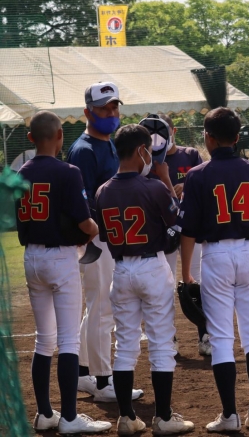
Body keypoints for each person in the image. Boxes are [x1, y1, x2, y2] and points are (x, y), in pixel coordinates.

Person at [178, 107, 249, 432]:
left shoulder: (196, 175)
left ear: (207, 137)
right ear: (237, 138)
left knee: (221, 339)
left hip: (215, 255)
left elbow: (188, 232)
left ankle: (229, 416)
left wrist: (186, 273)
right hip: (248, 253)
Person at [96, 124, 194, 435]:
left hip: (121, 270)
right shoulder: (153, 187)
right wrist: (166, 183)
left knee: (125, 345)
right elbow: (177, 225)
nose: (150, 157)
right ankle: (163, 418)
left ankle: (127, 417)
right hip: (152, 266)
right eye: (148, 151)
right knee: (161, 343)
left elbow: (104, 235)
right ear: (141, 150)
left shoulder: (102, 191)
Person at [17, 111, 112, 434]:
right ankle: (70, 417)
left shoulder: (19, 173)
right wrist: (94, 229)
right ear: (60, 136)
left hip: (31, 257)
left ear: (31, 138)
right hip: (60, 258)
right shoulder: (68, 171)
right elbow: (85, 223)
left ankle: (45, 414)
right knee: (68, 340)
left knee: (43, 340)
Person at [66, 82, 143, 402]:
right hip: (97, 239)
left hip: (110, 237)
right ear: (87, 112)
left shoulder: (108, 144)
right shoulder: (84, 150)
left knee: (97, 307)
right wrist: (94, 236)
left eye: (114, 107)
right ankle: (102, 381)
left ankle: (84, 373)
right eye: (103, 108)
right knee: (102, 309)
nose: (111, 113)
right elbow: (80, 202)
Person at [148, 114, 210, 356]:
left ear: (173, 131)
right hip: (164, 230)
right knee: (165, 285)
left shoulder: (190, 154)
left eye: (163, 132)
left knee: (196, 282)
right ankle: (169, 338)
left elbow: (203, 182)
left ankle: (205, 335)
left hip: (191, 229)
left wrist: (187, 184)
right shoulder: (149, 161)